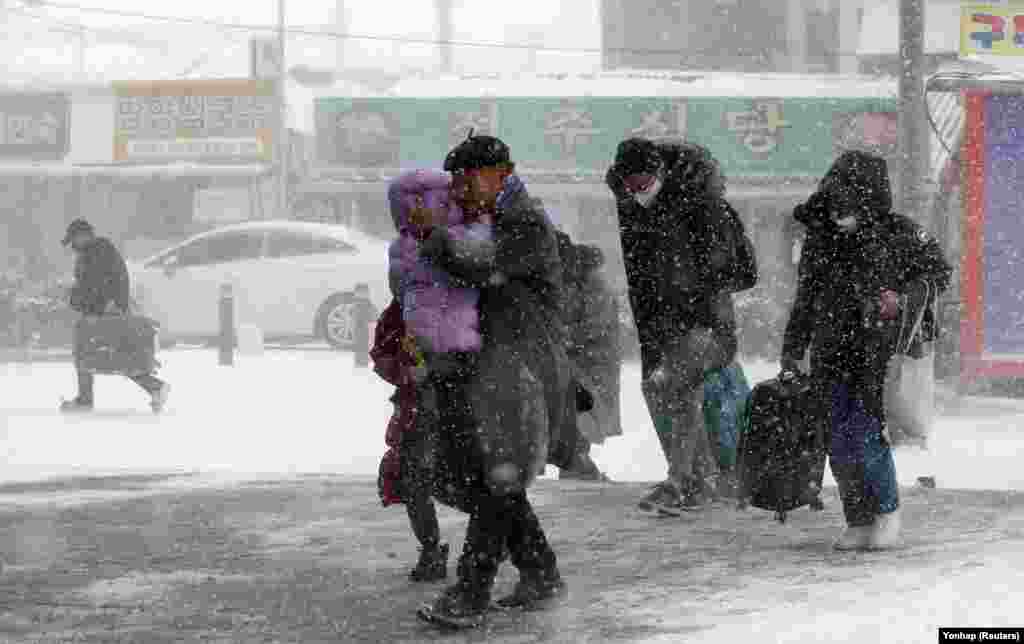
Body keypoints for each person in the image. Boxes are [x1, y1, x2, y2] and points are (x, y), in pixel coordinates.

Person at [414, 134, 574, 629]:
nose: (460, 192)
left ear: (500, 173)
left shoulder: (523, 221)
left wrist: (435, 238)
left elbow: (479, 269)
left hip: (524, 369)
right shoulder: (490, 220)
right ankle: (540, 572)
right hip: (496, 368)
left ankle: (471, 590)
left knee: (497, 479)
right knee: (486, 478)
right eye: (455, 184)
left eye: (467, 181)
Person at [779, 151, 951, 550]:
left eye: (848, 207)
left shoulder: (900, 235)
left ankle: (887, 512)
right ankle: (856, 518)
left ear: (870, 202)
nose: (840, 215)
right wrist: (792, 350)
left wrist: (903, 298)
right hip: (829, 350)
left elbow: (937, 274)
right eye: (834, 206)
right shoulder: (820, 241)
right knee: (836, 437)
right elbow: (805, 298)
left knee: (866, 433)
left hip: (878, 352)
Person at [606, 138, 757, 513]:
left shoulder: (706, 209)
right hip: (659, 327)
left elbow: (743, 271)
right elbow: (641, 278)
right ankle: (698, 482)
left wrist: (693, 290)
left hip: (706, 325)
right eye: (630, 187)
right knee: (655, 388)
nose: (637, 194)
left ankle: (682, 482)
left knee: (674, 382)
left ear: (661, 175)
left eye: (643, 185)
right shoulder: (634, 210)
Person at [372, 298, 449, 582]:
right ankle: (432, 550)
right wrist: (407, 373)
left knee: (479, 482)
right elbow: (382, 351)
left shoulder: (467, 291)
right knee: (417, 482)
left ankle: (489, 547)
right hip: (421, 410)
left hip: (459, 404)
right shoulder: (407, 302)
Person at [60, 219, 170, 413]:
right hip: (106, 311)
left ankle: (86, 401)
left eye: (73, 241)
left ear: (82, 236)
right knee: (118, 356)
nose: (73, 247)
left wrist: (96, 308)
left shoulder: (98, 252)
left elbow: (98, 285)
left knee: (93, 351)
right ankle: (155, 387)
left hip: (106, 313)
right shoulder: (96, 251)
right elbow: (94, 284)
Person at [555, 231, 622, 482]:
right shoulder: (564, 278)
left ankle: (579, 466)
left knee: (583, 413)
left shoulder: (594, 281)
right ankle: (578, 466)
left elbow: (596, 325)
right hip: (573, 360)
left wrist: (561, 336)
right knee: (573, 414)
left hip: (595, 361)